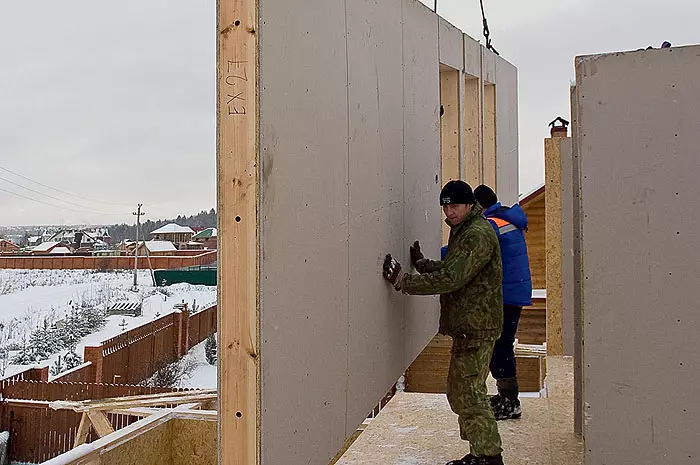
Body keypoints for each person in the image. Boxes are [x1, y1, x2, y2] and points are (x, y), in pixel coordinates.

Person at [382, 180, 505, 465]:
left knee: (469, 394)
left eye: (454, 207)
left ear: (469, 205)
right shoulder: (466, 230)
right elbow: (457, 268)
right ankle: (482, 453)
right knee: (462, 392)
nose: (449, 213)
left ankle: (488, 457)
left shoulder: (476, 234)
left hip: (476, 327)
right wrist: (425, 265)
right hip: (470, 326)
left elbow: (453, 278)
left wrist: (404, 281)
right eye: (446, 207)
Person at [473, 185, 532, 421]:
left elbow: (471, 251)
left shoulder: (493, 225)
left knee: (501, 346)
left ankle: (510, 401)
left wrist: (436, 257)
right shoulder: (505, 219)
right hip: (512, 292)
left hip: (505, 295)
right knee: (502, 345)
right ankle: (506, 397)